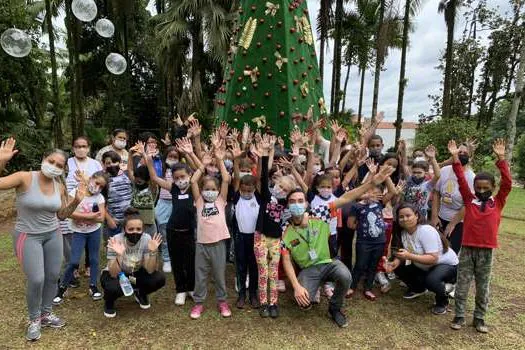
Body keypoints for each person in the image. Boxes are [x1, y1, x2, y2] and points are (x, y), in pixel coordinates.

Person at [281, 165, 394, 328]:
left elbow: (347, 197)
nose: (296, 204)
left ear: (307, 203)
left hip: (328, 261)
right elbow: (285, 260)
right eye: (292, 202)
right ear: (287, 205)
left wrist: (371, 183)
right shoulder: (285, 229)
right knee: (304, 304)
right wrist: (296, 287)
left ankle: (334, 308)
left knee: (345, 276)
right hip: (308, 269)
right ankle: (315, 287)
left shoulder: (319, 212)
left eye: (300, 201)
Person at [0, 138, 86, 341]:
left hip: (53, 234)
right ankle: (34, 319)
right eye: (52, 161)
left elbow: (62, 215)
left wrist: (76, 201)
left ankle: (46, 314)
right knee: (36, 278)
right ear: (43, 159)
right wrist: (1, 162)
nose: (55, 167)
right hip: (28, 236)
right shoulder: (24, 177)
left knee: (52, 275)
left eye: (59, 165)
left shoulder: (59, 186)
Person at [448, 139, 512, 333]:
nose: (482, 191)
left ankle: (479, 318)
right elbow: (460, 177)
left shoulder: (498, 202)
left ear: (492, 187)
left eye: (486, 188)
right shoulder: (470, 200)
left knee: (483, 287)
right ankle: (459, 316)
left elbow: (507, 183)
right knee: (462, 285)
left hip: (487, 252)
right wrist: (454, 157)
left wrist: (501, 158)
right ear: (474, 188)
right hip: (467, 249)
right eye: (478, 188)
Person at [144, 138, 196, 306]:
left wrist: (189, 153)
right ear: (173, 179)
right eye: (177, 177)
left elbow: (200, 169)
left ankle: (191, 288)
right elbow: (153, 177)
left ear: (189, 176)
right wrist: (149, 159)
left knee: (190, 262)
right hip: (173, 231)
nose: (180, 179)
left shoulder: (194, 187)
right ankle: (180, 290)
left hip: (189, 232)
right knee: (177, 262)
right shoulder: (172, 188)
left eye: (183, 176)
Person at [385, 203, 458, 315]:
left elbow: (433, 258)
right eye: (401, 217)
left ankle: (442, 301)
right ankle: (418, 288)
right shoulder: (404, 233)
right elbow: (402, 253)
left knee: (432, 280)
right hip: (425, 265)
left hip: (445, 265)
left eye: (408, 215)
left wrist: (409, 256)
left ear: (417, 216)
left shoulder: (425, 231)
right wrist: (394, 263)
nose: (404, 219)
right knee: (399, 267)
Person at [189, 132, 232, 319]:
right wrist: (203, 165)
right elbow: (192, 181)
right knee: (200, 274)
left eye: (213, 189)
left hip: (218, 244)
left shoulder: (221, 201)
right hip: (201, 244)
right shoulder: (198, 201)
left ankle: (222, 302)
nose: (210, 192)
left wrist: (220, 160)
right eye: (207, 189)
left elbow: (226, 179)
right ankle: (199, 303)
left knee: (219, 275)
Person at [53, 171, 108, 304]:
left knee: (94, 260)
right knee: (73, 261)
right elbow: (69, 213)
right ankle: (62, 287)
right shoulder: (75, 193)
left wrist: (85, 216)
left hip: (94, 232)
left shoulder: (99, 197)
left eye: (101, 186)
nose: (98, 187)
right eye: (97, 183)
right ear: (91, 179)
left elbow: (101, 218)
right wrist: (90, 216)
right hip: (78, 232)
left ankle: (93, 286)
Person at [101, 208, 166, 318]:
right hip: (117, 274)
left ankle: (141, 293)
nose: (134, 232)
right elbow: (113, 273)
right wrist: (119, 255)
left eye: (138, 229)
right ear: (124, 229)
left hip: (134, 274)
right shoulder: (116, 240)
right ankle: (109, 302)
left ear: (143, 229)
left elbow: (149, 270)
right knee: (112, 287)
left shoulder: (146, 239)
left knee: (159, 278)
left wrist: (153, 252)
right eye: (130, 229)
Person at [347, 176, 398, 301]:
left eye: (377, 193)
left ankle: (368, 288)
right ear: (364, 193)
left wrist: (386, 176)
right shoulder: (357, 206)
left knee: (373, 266)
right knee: (360, 264)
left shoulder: (380, 204)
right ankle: (352, 286)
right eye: (370, 192)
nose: (373, 195)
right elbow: (350, 224)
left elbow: (392, 192)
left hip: (380, 242)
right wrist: (363, 227)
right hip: (363, 242)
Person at [60, 136, 103, 285]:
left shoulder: (95, 164)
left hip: (89, 205)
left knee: (88, 233)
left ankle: (89, 266)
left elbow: (100, 183)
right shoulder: (67, 162)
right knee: (71, 236)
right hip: (69, 203)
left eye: (84, 146)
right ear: (73, 148)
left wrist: (85, 181)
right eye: (77, 146)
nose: (81, 149)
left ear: (89, 148)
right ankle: (73, 267)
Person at [431, 142, 475, 254]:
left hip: (459, 220)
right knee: (436, 249)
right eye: (459, 152)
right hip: (441, 216)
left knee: (451, 251)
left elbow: (468, 203)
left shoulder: (471, 177)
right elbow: (436, 193)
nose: (462, 154)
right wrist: (434, 216)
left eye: (465, 153)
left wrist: (452, 224)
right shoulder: (445, 170)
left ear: (471, 156)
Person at [154, 146, 180, 273]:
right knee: (164, 233)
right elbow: (152, 175)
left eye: (176, 157)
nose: (173, 159)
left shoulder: (181, 172)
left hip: (177, 204)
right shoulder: (161, 170)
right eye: (170, 156)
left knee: (177, 233)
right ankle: (166, 259)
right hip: (163, 204)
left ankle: (176, 257)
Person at [102, 151, 132, 238]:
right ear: (103, 164)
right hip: (114, 222)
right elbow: (100, 202)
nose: (112, 165)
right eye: (108, 163)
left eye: (114, 162)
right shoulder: (103, 179)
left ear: (119, 162)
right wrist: (108, 219)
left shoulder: (127, 175)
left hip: (129, 221)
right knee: (113, 249)